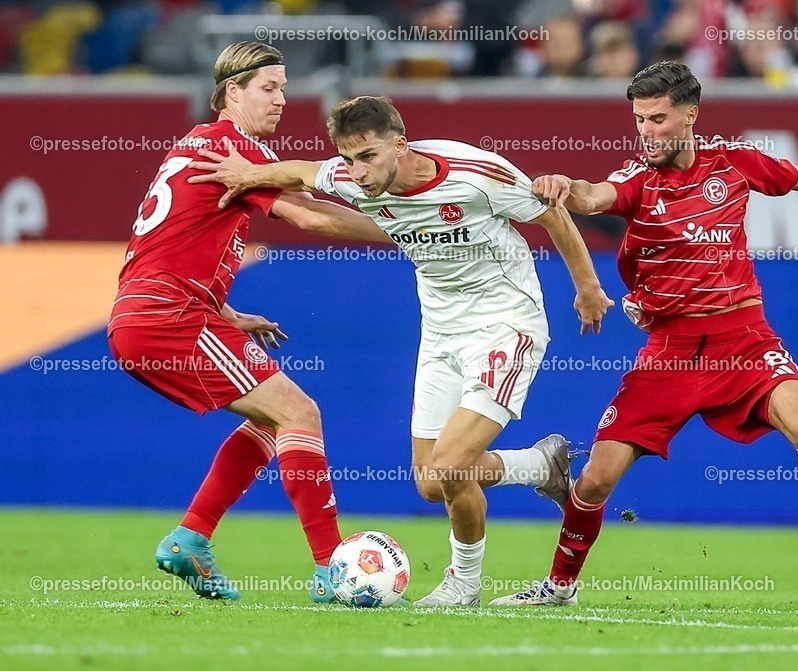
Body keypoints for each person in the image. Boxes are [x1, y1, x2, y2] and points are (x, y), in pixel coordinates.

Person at [491, 61, 798, 614]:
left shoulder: (734, 164)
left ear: (691, 115)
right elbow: (594, 197)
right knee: (595, 480)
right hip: (670, 355)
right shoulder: (637, 180)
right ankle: (559, 585)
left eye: (659, 118)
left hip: (744, 341)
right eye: (639, 119)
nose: (646, 131)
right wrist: (561, 186)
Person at [188, 96, 615, 607]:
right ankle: (538, 466)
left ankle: (463, 582)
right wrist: (249, 172)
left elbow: (551, 213)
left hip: (506, 326)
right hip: (440, 335)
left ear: (400, 145)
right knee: (432, 485)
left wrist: (587, 287)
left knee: (451, 465)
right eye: (347, 158)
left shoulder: (476, 173)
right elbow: (303, 172)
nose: (356, 172)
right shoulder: (351, 178)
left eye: (367, 156)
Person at [108, 41, 393, 603]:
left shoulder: (200, 146)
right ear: (231, 91)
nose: (282, 99)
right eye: (269, 87)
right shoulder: (232, 149)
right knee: (300, 413)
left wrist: (228, 312)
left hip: (149, 313)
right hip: (171, 317)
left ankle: (192, 537)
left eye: (285, 87)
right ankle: (332, 570)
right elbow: (310, 212)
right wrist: (409, 234)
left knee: (273, 421)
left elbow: (165, 247)